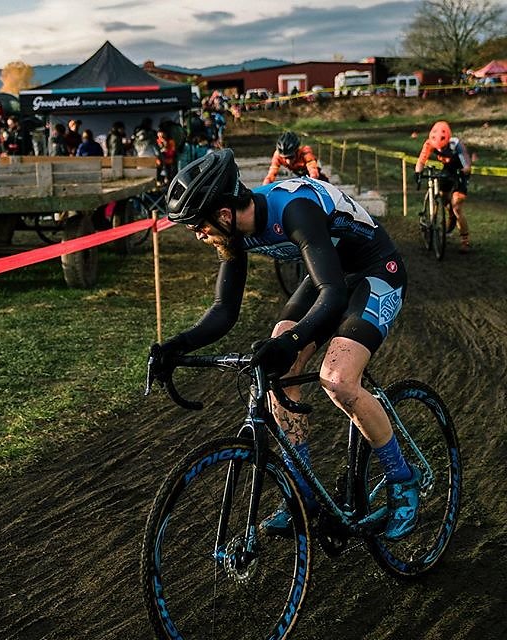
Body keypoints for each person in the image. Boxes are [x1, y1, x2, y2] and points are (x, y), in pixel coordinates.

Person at [153, 149, 421, 542]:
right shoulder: (236, 233)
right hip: (328, 273)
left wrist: (292, 341)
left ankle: (403, 481)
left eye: (198, 225)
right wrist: (177, 345)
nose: (198, 235)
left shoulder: (293, 210)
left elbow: (331, 296)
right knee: (279, 366)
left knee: (338, 379)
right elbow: (224, 310)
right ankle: (301, 492)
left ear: (224, 214)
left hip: (375, 270)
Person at [414, 121, 472, 254]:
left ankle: (465, 240)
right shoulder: (429, 143)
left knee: (457, 205)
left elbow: (467, 165)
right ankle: (449, 214)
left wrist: (465, 170)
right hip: (447, 171)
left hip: (460, 172)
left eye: (442, 147)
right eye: (437, 148)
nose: (439, 150)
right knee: (444, 198)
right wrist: (417, 173)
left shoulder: (456, 144)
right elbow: (421, 160)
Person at [263, 131, 327, 184]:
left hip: (317, 172)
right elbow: (271, 174)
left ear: (297, 150)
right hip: (300, 172)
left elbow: (313, 171)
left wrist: (313, 181)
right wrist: (264, 187)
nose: (288, 161)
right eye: (285, 158)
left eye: (291, 157)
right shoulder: (277, 155)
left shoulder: (305, 152)